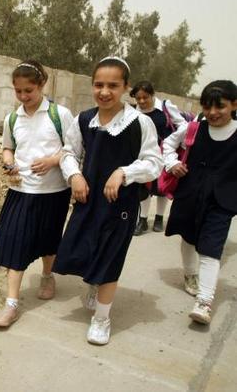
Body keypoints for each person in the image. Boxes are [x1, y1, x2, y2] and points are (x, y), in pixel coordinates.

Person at [55, 56, 163, 345]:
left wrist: (123, 173)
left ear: (126, 87)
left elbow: (154, 162)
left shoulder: (140, 123)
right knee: (87, 247)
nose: (104, 91)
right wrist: (75, 176)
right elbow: (68, 152)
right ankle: (93, 284)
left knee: (111, 258)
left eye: (113, 85)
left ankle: (101, 319)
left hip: (121, 207)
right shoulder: (83, 119)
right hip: (89, 199)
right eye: (99, 84)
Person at [0, 60, 74, 328]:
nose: (24, 96)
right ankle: (12, 304)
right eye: (19, 91)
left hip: (54, 191)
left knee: (49, 241)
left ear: (42, 85)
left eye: (29, 90)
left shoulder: (60, 115)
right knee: (15, 243)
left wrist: (52, 160)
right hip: (21, 190)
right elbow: (7, 148)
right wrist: (8, 163)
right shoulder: (13, 118)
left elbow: (73, 149)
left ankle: (47, 276)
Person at [163, 80, 237, 325]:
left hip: (222, 201)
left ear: (234, 105)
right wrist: (172, 163)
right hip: (191, 193)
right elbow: (169, 144)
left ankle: (204, 301)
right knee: (188, 237)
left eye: (220, 107)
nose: (213, 112)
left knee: (211, 249)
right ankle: (190, 275)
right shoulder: (194, 127)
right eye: (207, 106)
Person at [130, 81, 188, 235]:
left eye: (145, 97)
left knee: (161, 187)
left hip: (164, 154)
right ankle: (142, 220)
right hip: (144, 155)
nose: (142, 101)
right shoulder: (134, 111)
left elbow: (183, 125)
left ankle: (159, 218)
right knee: (144, 186)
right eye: (138, 98)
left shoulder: (165, 106)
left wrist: (171, 140)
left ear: (152, 94)